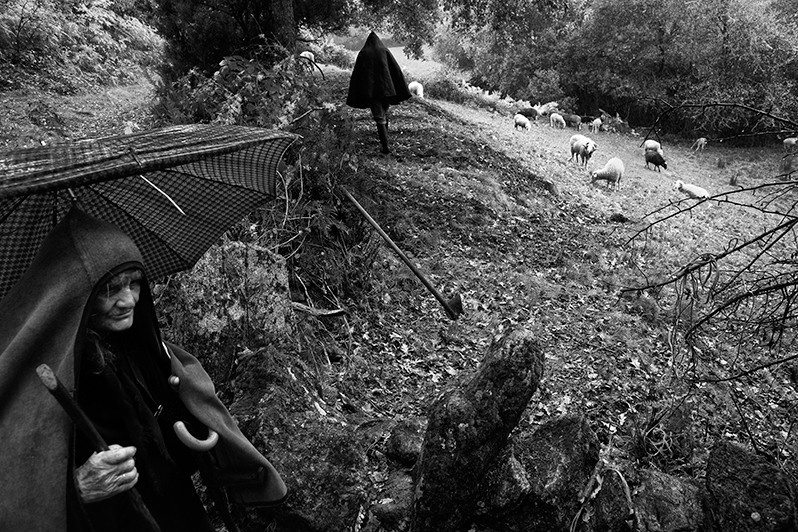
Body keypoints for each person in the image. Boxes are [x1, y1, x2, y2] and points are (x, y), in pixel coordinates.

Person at [0, 208, 287, 531]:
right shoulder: (29, 376)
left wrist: (185, 402)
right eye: (109, 290)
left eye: (134, 284)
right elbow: (13, 484)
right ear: (74, 296)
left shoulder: (141, 349)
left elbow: (172, 451)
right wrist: (78, 486)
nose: (128, 300)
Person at [346, 31, 412, 154]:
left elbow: (358, 74)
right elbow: (395, 70)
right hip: (387, 90)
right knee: (383, 113)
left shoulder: (364, 53)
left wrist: (358, 91)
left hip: (371, 91)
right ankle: (385, 144)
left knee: (379, 116)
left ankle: (386, 148)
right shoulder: (384, 51)